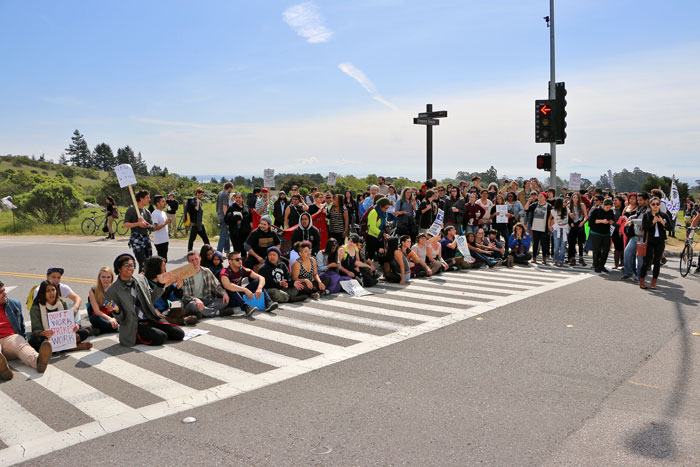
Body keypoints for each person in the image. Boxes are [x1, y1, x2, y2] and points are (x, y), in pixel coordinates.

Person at [104, 253, 185, 347]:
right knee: (160, 337)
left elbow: (151, 300)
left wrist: (160, 285)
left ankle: (154, 331)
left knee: (179, 334)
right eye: (127, 265)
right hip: (135, 324)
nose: (130, 268)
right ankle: (138, 336)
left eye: (132, 265)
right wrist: (117, 310)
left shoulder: (141, 279)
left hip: (150, 317)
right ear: (119, 268)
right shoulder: (111, 291)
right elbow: (121, 319)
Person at [0, 280, 52, 380]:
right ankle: (3, 369)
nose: (5, 293)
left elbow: (21, 325)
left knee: (20, 342)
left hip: (10, 338)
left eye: (4, 290)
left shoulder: (13, 303)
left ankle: (39, 361)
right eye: (0, 292)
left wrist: (24, 340)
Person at [30, 280, 92, 351]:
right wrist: (43, 333)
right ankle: (72, 347)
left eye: (53, 290)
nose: (51, 293)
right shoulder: (36, 308)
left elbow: (68, 322)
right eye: (48, 291)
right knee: (36, 341)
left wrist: (75, 326)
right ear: (43, 293)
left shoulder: (61, 303)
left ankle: (57, 348)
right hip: (46, 337)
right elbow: (35, 331)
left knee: (84, 332)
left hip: (62, 337)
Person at [144, 256, 198, 326]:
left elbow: (172, 298)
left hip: (164, 310)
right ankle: (179, 321)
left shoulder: (166, 279)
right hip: (151, 311)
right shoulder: (144, 282)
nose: (165, 268)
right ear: (156, 267)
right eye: (163, 266)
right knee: (157, 314)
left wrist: (178, 288)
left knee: (181, 311)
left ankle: (167, 320)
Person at [220, 250, 278, 315]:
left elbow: (261, 278)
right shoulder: (225, 272)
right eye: (237, 259)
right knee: (232, 289)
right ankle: (245, 307)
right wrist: (245, 289)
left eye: (240, 259)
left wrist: (259, 288)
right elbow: (227, 285)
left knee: (257, 282)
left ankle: (268, 302)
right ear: (230, 261)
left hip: (239, 294)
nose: (240, 261)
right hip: (228, 298)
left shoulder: (242, 269)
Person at [181, 251, 232, 319]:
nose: (194, 262)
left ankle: (201, 313)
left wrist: (224, 293)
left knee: (224, 301)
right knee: (193, 305)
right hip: (192, 303)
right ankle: (218, 312)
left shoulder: (207, 271)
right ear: (189, 262)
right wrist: (196, 299)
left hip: (206, 301)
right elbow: (185, 296)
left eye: (196, 259)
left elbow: (216, 286)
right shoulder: (185, 275)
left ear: (200, 258)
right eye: (192, 260)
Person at [639, 198, 671, 289]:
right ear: (650, 205)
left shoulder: (664, 215)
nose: (656, 206)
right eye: (653, 204)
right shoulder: (647, 215)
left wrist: (662, 222)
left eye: (657, 204)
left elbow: (670, 228)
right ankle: (642, 280)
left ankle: (654, 282)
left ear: (660, 205)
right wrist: (653, 221)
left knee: (657, 262)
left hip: (660, 241)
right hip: (649, 241)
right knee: (646, 261)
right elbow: (645, 228)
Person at [123, 189, 153, 272]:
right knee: (143, 264)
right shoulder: (132, 210)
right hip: (136, 239)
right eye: (147, 197)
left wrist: (146, 224)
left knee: (149, 263)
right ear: (141, 199)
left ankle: (148, 282)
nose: (149, 199)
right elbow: (125, 225)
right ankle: (141, 283)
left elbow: (152, 227)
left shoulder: (147, 212)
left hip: (146, 238)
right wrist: (138, 224)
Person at [623, 193, 649, 280]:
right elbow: (636, 215)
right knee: (627, 252)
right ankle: (628, 273)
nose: (639, 201)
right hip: (635, 236)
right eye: (638, 200)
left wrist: (632, 221)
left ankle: (640, 276)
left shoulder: (649, 210)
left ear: (646, 200)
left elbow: (643, 221)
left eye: (641, 200)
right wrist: (630, 217)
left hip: (643, 236)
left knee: (640, 258)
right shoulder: (640, 209)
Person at [87, 266, 119, 335]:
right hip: (101, 316)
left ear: (112, 278)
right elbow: (97, 311)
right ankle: (115, 327)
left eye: (108, 277)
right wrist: (110, 319)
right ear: (99, 278)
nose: (106, 279)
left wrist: (114, 318)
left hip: (112, 314)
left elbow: (117, 308)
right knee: (93, 318)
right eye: (103, 277)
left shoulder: (115, 289)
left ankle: (100, 330)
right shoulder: (93, 290)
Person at [588, 198, 616, 273]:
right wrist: (602, 221)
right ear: (603, 204)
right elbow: (591, 222)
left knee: (606, 250)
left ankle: (602, 265)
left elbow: (613, 220)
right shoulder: (596, 210)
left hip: (606, 233)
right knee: (597, 251)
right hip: (596, 233)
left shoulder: (610, 211)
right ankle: (596, 266)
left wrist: (611, 221)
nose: (608, 209)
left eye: (610, 207)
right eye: (607, 207)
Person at [525, 192, 552, 265]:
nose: (539, 197)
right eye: (539, 196)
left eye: (541, 196)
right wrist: (529, 201)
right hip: (535, 227)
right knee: (535, 244)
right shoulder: (535, 204)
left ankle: (544, 258)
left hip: (544, 228)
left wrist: (550, 226)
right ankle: (534, 258)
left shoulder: (548, 206)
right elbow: (526, 208)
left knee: (544, 244)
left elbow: (551, 217)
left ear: (545, 198)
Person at [225, 192, 253, 257]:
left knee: (244, 250)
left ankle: (243, 264)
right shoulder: (232, 207)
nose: (237, 199)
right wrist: (236, 218)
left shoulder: (246, 207)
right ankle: (235, 263)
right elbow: (226, 219)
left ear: (243, 199)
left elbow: (250, 219)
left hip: (245, 233)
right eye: (236, 197)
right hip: (235, 233)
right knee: (236, 250)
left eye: (239, 198)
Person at [567, 192, 588, 266]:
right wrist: (570, 222)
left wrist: (583, 222)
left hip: (580, 224)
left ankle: (581, 258)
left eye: (576, 197)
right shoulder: (569, 206)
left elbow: (586, 216)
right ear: (572, 198)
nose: (575, 199)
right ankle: (572, 258)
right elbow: (567, 217)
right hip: (573, 225)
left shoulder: (582, 205)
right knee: (572, 243)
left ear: (579, 198)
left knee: (580, 243)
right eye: (574, 197)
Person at [187, 187, 210, 252]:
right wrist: (197, 202)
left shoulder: (199, 201)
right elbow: (196, 209)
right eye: (201, 194)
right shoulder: (193, 200)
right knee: (192, 239)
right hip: (195, 224)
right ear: (197, 193)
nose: (202, 196)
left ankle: (209, 249)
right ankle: (189, 251)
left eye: (202, 194)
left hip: (200, 223)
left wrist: (198, 201)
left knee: (205, 238)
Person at [549, 198, 569, 267]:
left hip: (564, 229)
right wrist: (549, 226)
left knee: (563, 246)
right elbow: (550, 218)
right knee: (556, 246)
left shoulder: (567, 210)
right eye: (563, 202)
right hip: (556, 229)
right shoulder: (554, 211)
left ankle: (561, 260)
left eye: (565, 202)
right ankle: (555, 260)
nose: (564, 204)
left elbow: (571, 216)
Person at [150, 194, 171, 261]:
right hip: (160, 241)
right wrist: (165, 223)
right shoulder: (155, 213)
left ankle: (163, 271)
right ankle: (161, 272)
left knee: (164, 260)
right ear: (157, 203)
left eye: (165, 201)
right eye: (163, 201)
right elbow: (155, 228)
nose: (165, 203)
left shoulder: (163, 212)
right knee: (162, 261)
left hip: (165, 240)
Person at [216, 182, 234, 253]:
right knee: (223, 235)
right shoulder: (225, 195)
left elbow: (217, 206)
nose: (231, 191)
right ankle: (219, 252)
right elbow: (224, 208)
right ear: (229, 188)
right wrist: (227, 218)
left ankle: (227, 251)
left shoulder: (220, 193)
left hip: (219, 216)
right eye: (231, 189)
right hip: (224, 217)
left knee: (226, 234)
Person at [611, 196, 626, 269]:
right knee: (616, 248)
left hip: (622, 231)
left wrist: (620, 230)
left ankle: (623, 264)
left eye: (616, 200)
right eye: (613, 200)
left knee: (623, 247)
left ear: (620, 201)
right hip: (614, 231)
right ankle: (616, 264)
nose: (614, 202)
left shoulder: (623, 209)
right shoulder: (612, 209)